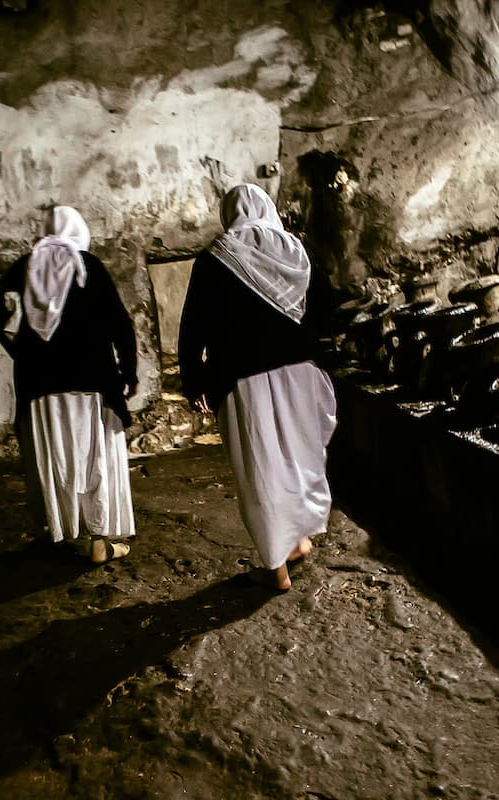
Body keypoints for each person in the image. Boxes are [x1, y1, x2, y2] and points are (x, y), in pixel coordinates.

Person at [178, 183, 337, 591]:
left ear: (229, 213)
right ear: (267, 207)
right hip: (302, 373)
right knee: (300, 459)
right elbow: (328, 309)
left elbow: (193, 327)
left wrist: (195, 381)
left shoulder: (217, 256)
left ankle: (277, 567)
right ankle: (297, 541)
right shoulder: (297, 252)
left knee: (261, 470)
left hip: (245, 381)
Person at [0, 205, 138, 563]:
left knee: (55, 456)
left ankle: (60, 530)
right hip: (92, 382)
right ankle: (99, 541)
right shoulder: (88, 266)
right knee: (95, 458)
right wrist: (129, 372)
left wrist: (19, 351)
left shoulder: (25, 267)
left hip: (40, 386)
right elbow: (119, 323)